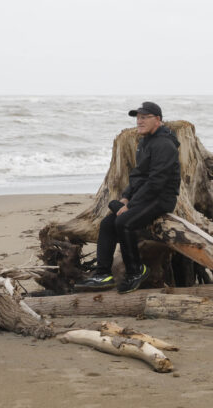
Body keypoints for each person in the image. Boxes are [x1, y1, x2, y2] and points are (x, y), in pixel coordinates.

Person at [77, 101, 180, 294]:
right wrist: (125, 198)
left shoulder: (164, 144)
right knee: (108, 224)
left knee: (124, 222)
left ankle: (136, 271)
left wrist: (131, 205)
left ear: (157, 120)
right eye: (138, 117)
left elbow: (156, 183)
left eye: (144, 117)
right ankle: (103, 274)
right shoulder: (145, 142)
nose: (139, 121)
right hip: (145, 196)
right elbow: (138, 176)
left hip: (162, 198)